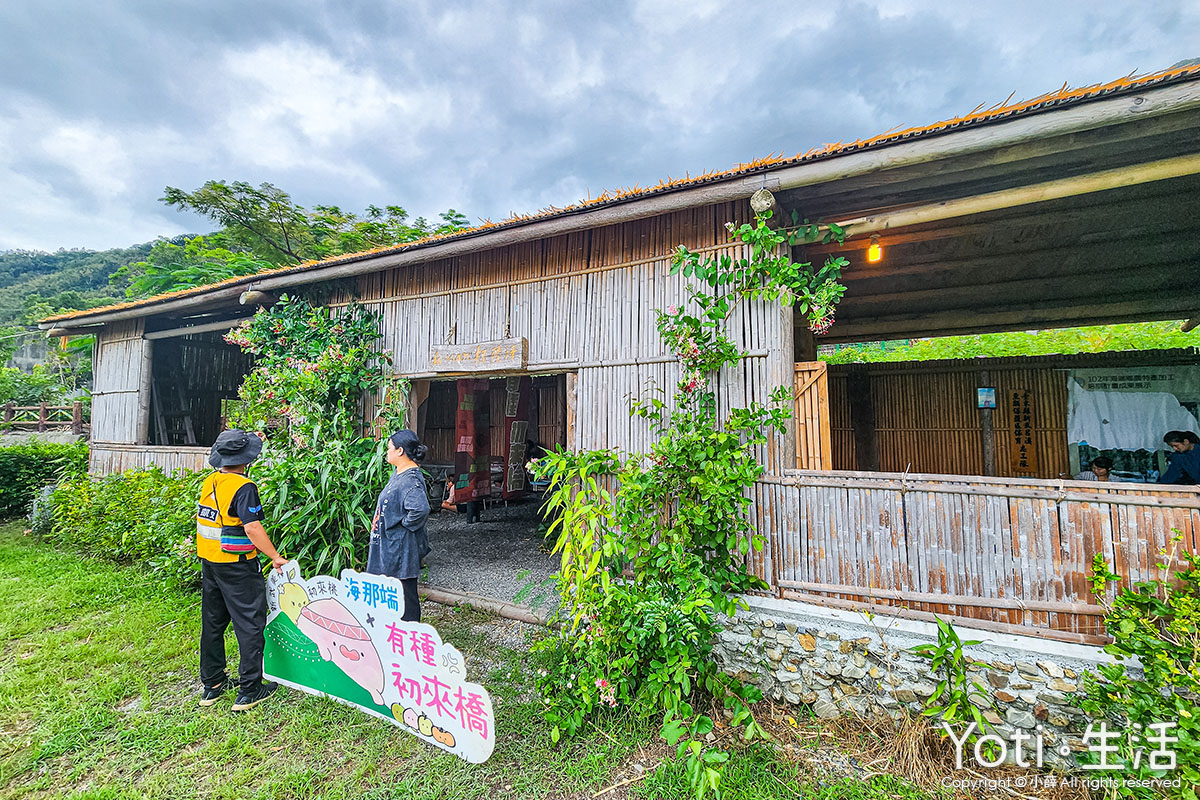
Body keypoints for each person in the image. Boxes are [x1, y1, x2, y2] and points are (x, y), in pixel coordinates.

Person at [196, 429, 288, 711]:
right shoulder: (244, 486)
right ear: (246, 459)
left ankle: (212, 683)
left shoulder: (211, 481)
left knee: (213, 622)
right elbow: (252, 527)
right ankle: (250, 688)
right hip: (237, 564)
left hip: (209, 560)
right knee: (249, 622)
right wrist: (274, 556)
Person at [366, 430, 432, 622]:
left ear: (400, 451)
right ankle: (392, 637)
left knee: (404, 597)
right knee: (392, 595)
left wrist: (403, 525)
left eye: (389, 448)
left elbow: (420, 509)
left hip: (401, 548)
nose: (386, 452)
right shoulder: (399, 474)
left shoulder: (410, 479)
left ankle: (410, 640)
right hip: (391, 546)